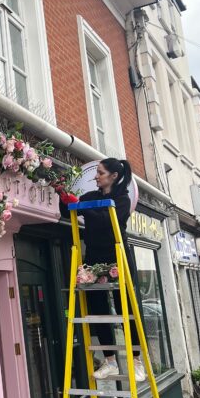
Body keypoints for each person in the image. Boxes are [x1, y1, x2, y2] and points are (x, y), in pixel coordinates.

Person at [58, 158, 146, 382]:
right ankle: (110, 361)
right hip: (94, 257)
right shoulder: (91, 197)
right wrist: (64, 198)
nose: (96, 176)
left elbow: (108, 221)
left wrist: (84, 208)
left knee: (124, 308)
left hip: (116, 255)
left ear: (113, 176)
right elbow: (68, 212)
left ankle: (136, 361)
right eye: (97, 172)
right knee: (98, 310)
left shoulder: (122, 199)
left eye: (100, 173)